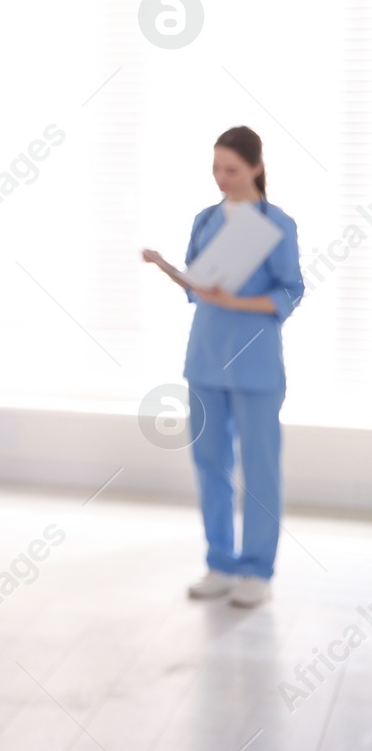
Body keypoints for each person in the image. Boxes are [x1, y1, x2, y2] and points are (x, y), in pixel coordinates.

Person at [143, 126, 304, 609]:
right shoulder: (205, 219)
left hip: (255, 363)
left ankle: (257, 569)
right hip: (206, 359)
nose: (221, 179)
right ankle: (220, 561)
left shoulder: (278, 224)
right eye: (215, 168)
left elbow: (290, 291)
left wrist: (239, 300)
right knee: (210, 462)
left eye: (231, 170)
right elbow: (198, 285)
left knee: (259, 468)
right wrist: (170, 271)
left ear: (256, 168)